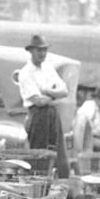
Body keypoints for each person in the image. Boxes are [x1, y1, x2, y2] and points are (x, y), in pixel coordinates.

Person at [16, 34, 70, 178]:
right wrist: (53, 95)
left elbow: (65, 91)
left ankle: (60, 186)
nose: (42, 54)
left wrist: (46, 92)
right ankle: (38, 189)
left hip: (52, 114)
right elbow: (38, 101)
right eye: (39, 50)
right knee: (39, 157)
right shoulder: (25, 73)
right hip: (37, 116)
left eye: (44, 50)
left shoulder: (48, 68)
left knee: (59, 154)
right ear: (31, 51)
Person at [72, 85, 100, 157]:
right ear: (96, 98)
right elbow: (82, 124)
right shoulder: (89, 105)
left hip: (99, 138)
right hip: (86, 137)